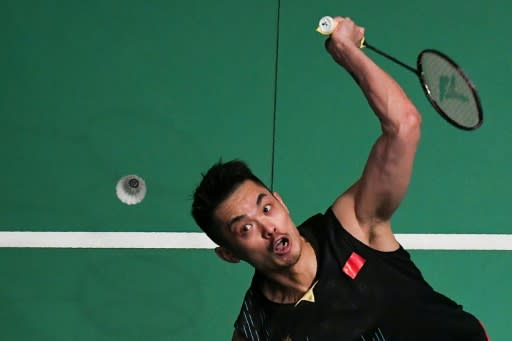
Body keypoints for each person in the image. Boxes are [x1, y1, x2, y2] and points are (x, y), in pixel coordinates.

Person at [191, 16, 488, 341]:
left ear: (281, 202)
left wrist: (347, 51)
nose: (268, 228)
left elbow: (403, 126)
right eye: (245, 229)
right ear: (229, 253)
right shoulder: (258, 328)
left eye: (266, 208)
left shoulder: (353, 228)